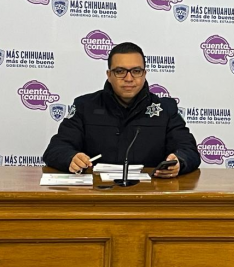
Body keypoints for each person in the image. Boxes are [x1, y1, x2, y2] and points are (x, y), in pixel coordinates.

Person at [43, 42, 200, 177]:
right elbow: (56, 149)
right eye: (120, 71)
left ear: (144, 74)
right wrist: (71, 157)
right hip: (97, 195)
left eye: (136, 71)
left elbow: (189, 151)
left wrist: (179, 161)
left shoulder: (166, 109)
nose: (129, 78)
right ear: (109, 75)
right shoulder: (85, 106)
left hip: (148, 194)